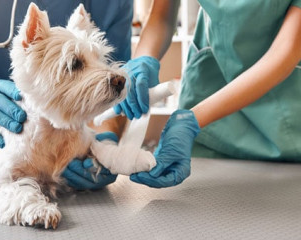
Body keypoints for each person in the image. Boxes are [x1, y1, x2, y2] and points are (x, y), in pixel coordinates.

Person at [116, 0, 301, 188]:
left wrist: (192, 121)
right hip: (208, 91)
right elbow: (161, 16)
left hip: (284, 113)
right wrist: (143, 59)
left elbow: (286, 50)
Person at [0, 0, 133, 190]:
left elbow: (118, 103)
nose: (111, 75)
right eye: (75, 65)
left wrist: (106, 147)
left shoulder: (113, 4)